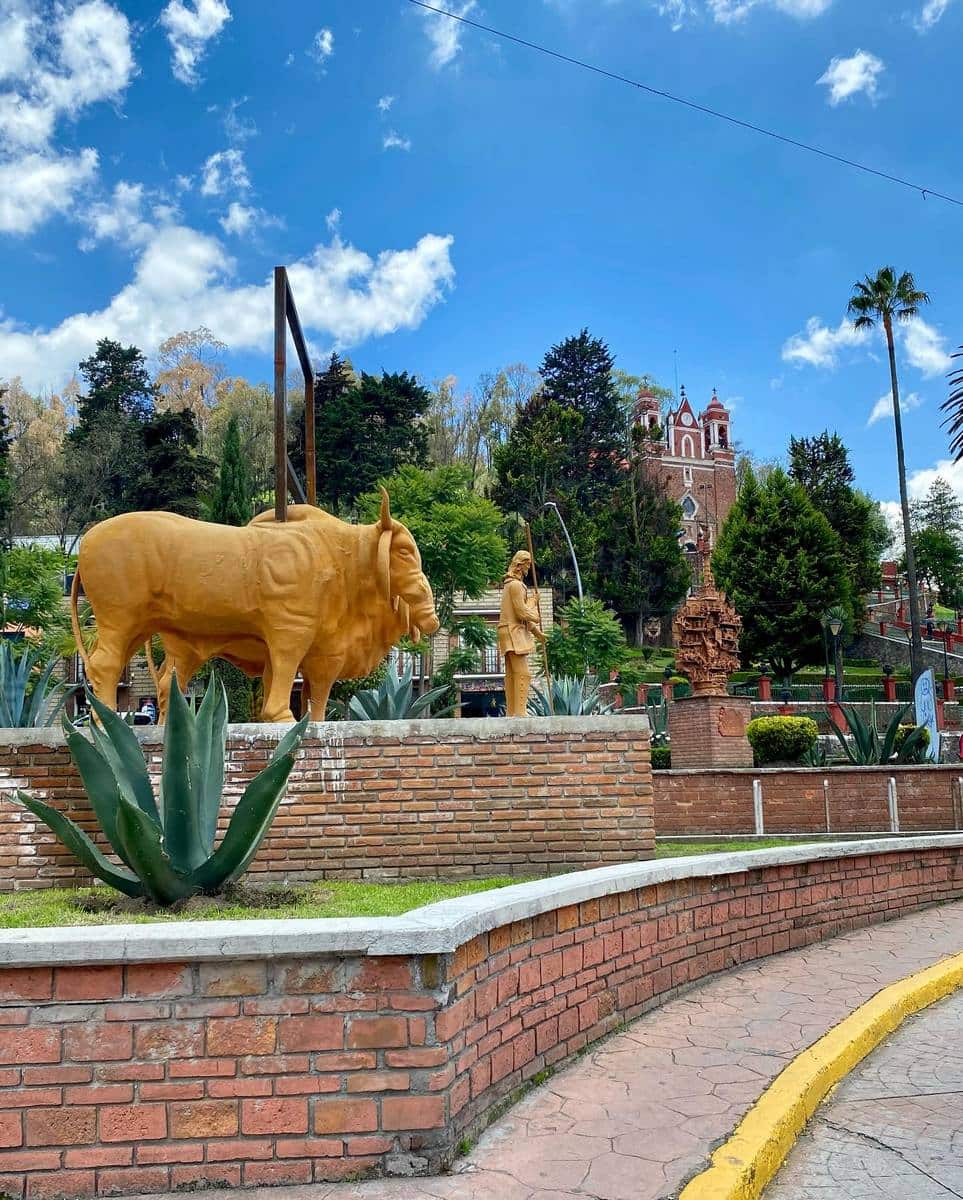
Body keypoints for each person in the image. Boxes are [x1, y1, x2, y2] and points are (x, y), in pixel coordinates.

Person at [497, 550, 544, 718]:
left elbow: (521, 616)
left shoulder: (511, 585)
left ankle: (512, 712)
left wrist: (538, 634)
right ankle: (520, 712)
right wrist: (534, 608)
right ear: (519, 564)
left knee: (512, 674)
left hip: (509, 630)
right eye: (528, 564)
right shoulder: (515, 586)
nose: (529, 567)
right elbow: (522, 613)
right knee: (523, 673)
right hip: (512, 632)